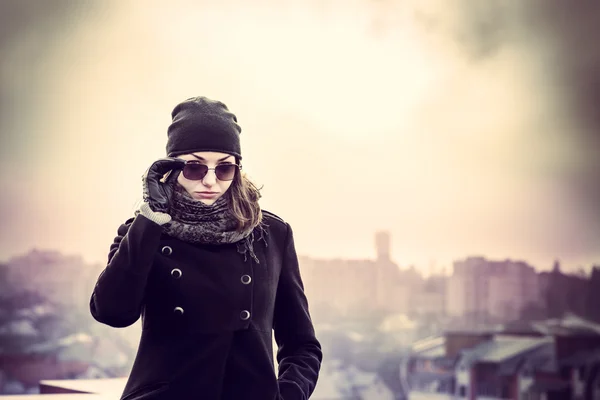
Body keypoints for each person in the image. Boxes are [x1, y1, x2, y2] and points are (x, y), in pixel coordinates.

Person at [89, 96, 322, 399]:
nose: (210, 181)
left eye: (224, 169)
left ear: (238, 169)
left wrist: (287, 395)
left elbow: (302, 344)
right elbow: (111, 312)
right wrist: (150, 218)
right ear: (171, 168)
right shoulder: (144, 231)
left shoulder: (272, 234)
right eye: (195, 168)